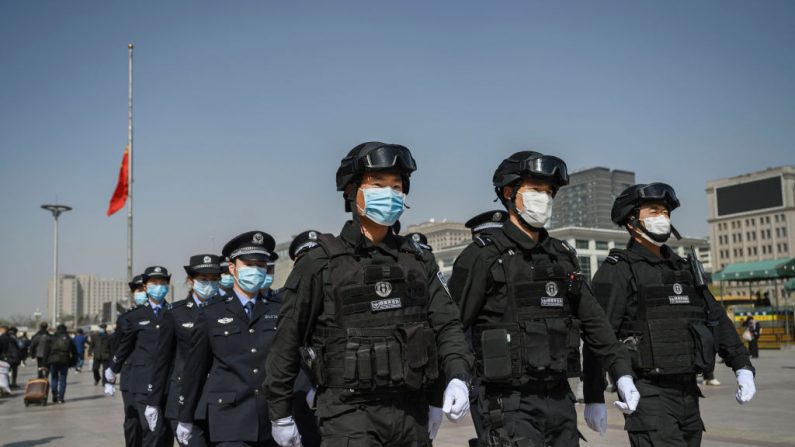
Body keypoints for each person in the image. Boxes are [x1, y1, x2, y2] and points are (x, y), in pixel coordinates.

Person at [265, 142, 474, 447]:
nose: (389, 194)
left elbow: (446, 326)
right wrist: (280, 413)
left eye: (397, 186)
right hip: (348, 417)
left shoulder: (417, 260)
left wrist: (456, 377)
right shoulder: (320, 262)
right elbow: (287, 340)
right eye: (378, 185)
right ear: (351, 190)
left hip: (410, 413)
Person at [448, 151, 638, 447]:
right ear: (509, 193)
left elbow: (596, 324)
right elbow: (452, 328)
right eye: (535, 189)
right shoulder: (483, 257)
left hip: (560, 400)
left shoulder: (562, 258)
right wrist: (454, 379)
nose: (545, 198)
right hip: (507, 404)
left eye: (549, 191)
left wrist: (620, 373)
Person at [582, 183, 757, 447]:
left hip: (688, 392)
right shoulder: (617, 271)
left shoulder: (684, 269)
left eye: (665, 211)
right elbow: (599, 335)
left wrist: (742, 365)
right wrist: (594, 395)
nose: (662, 217)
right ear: (631, 221)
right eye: (654, 210)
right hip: (648, 393)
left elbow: (716, 318)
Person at [175, 232, 284, 447]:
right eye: (249, 264)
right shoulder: (210, 313)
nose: (256, 270)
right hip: (228, 418)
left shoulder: (279, 309)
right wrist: (186, 417)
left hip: (271, 418)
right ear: (233, 268)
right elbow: (195, 369)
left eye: (261, 265)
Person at [146, 254, 224, 447]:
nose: (209, 284)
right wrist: (153, 401)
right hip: (183, 397)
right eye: (203, 280)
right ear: (190, 281)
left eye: (214, 280)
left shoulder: (227, 311)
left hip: (220, 397)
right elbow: (162, 360)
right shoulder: (175, 313)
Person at [106, 266, 174, 447]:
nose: (158, 287)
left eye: (162, 282)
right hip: (140, 380)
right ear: (145, 286)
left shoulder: (175, 312)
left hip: (168, 381)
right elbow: (121, 347)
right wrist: (112, 370)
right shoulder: (133, 317)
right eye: (154, 283)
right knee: (145, 427)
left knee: (165, 431)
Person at [47, 323, 78, 403]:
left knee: (54, 378)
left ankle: (54, 394)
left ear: (57, 329)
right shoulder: (69, 338)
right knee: (63, 379)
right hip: (65, 360)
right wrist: (73, 362)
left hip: (53, 360)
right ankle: (61, 398)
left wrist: (45, 363)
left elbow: (46, 351)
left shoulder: (52, 338)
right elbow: (75, 352)